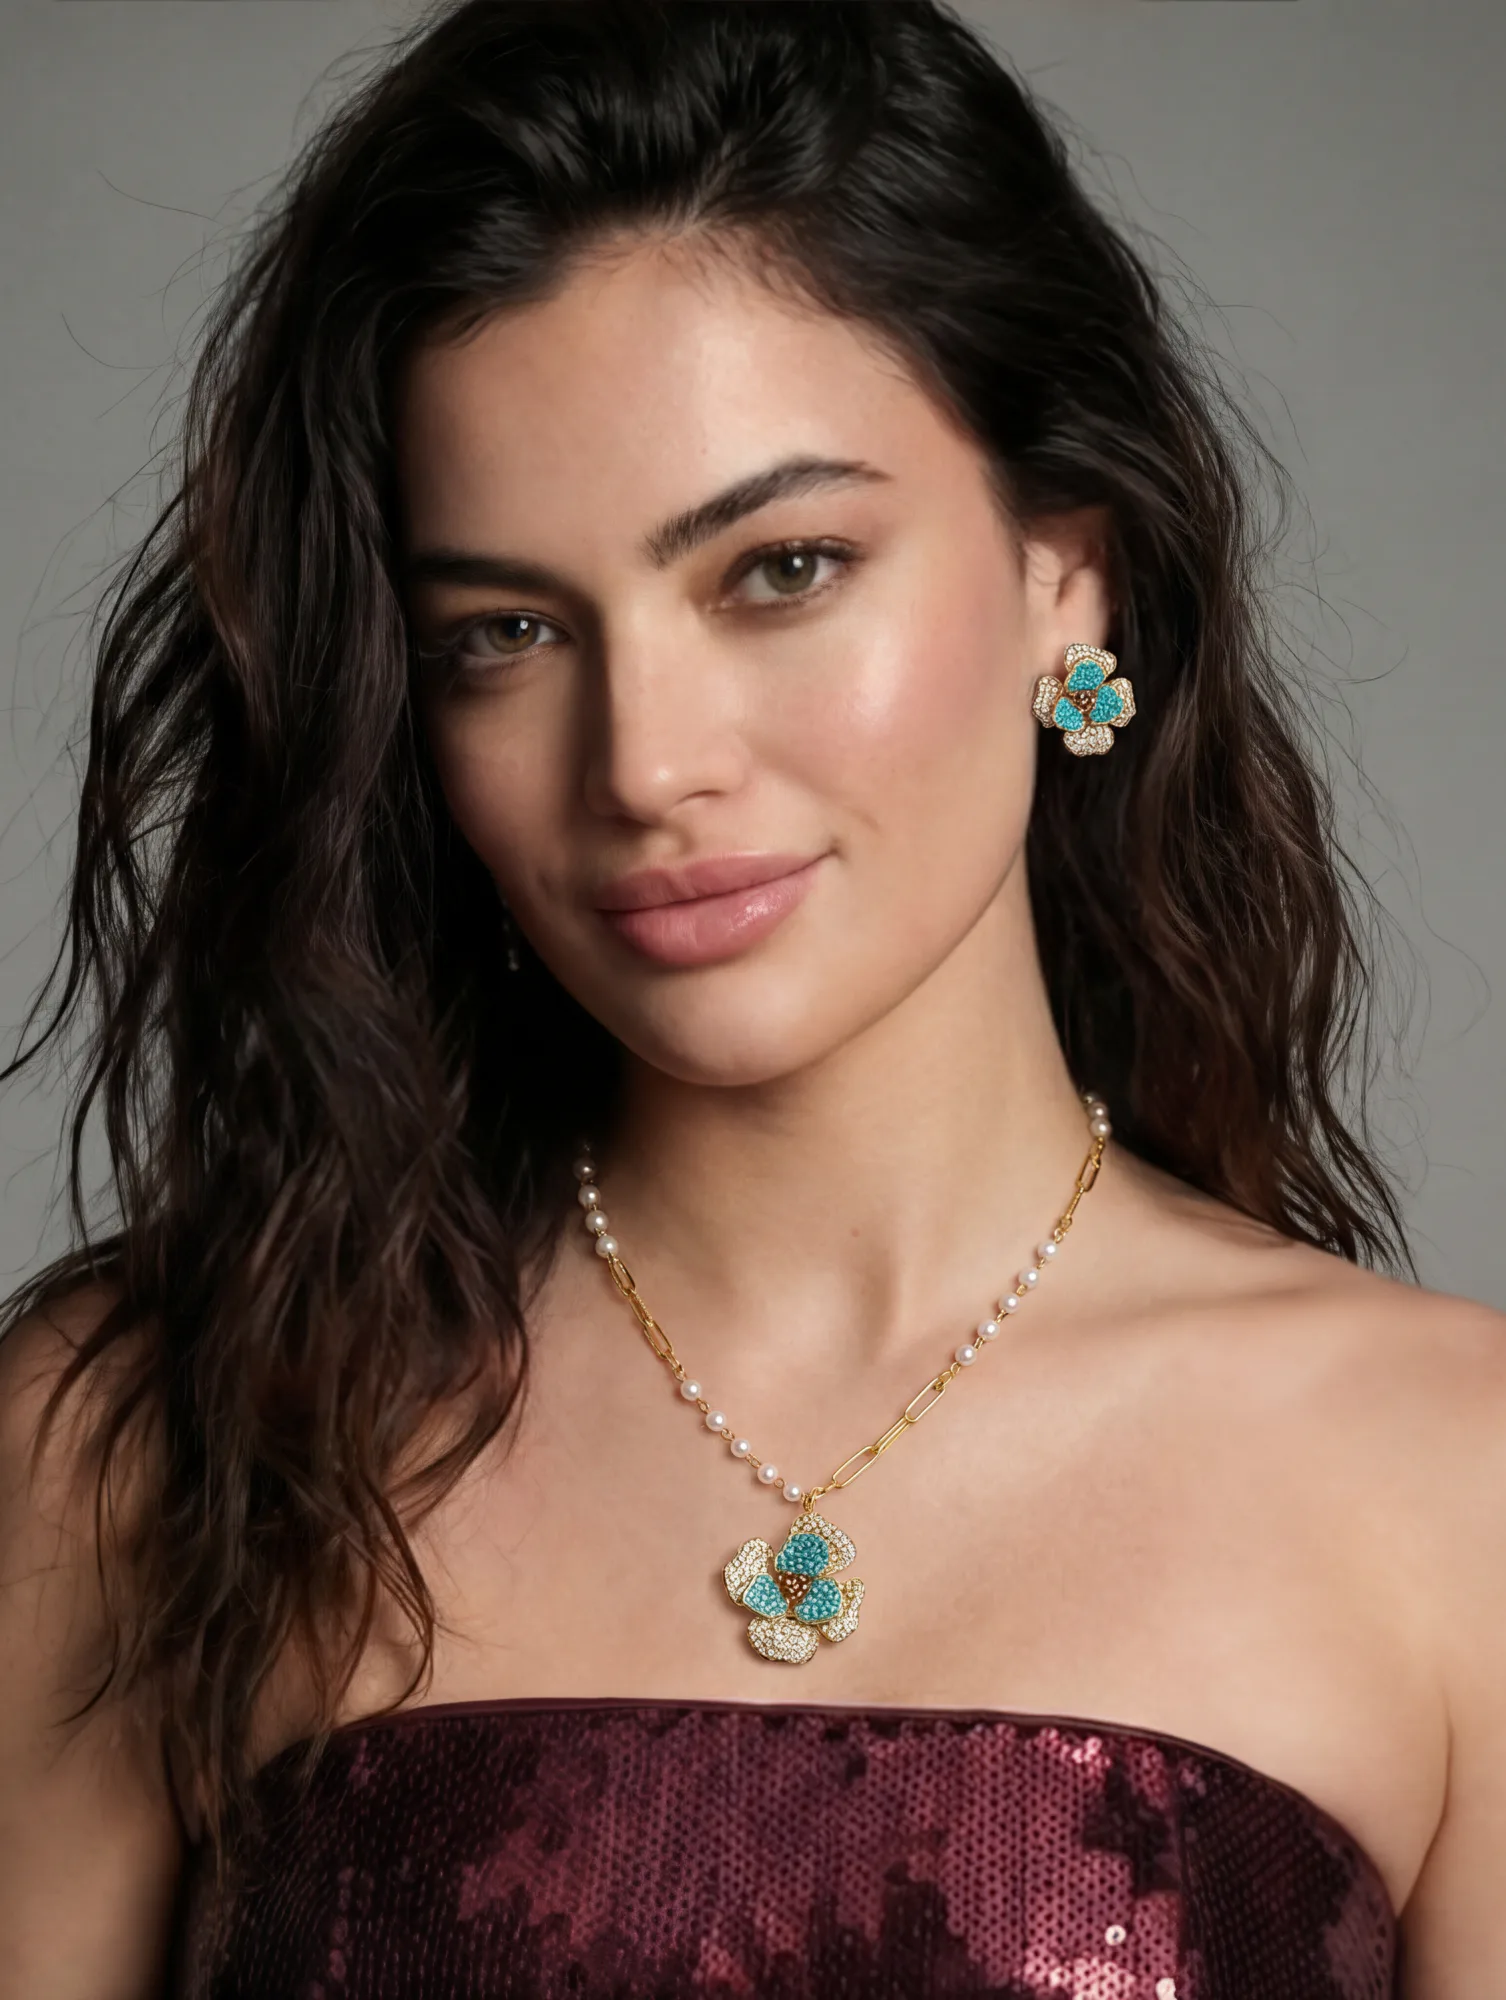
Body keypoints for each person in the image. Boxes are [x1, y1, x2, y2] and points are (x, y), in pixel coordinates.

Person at [1, 1, 1501, 1993]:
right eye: (508, 631)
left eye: (780, 569)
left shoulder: (1453, 1480)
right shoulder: (145, 1446)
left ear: (1071, 575)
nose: (648, 760)